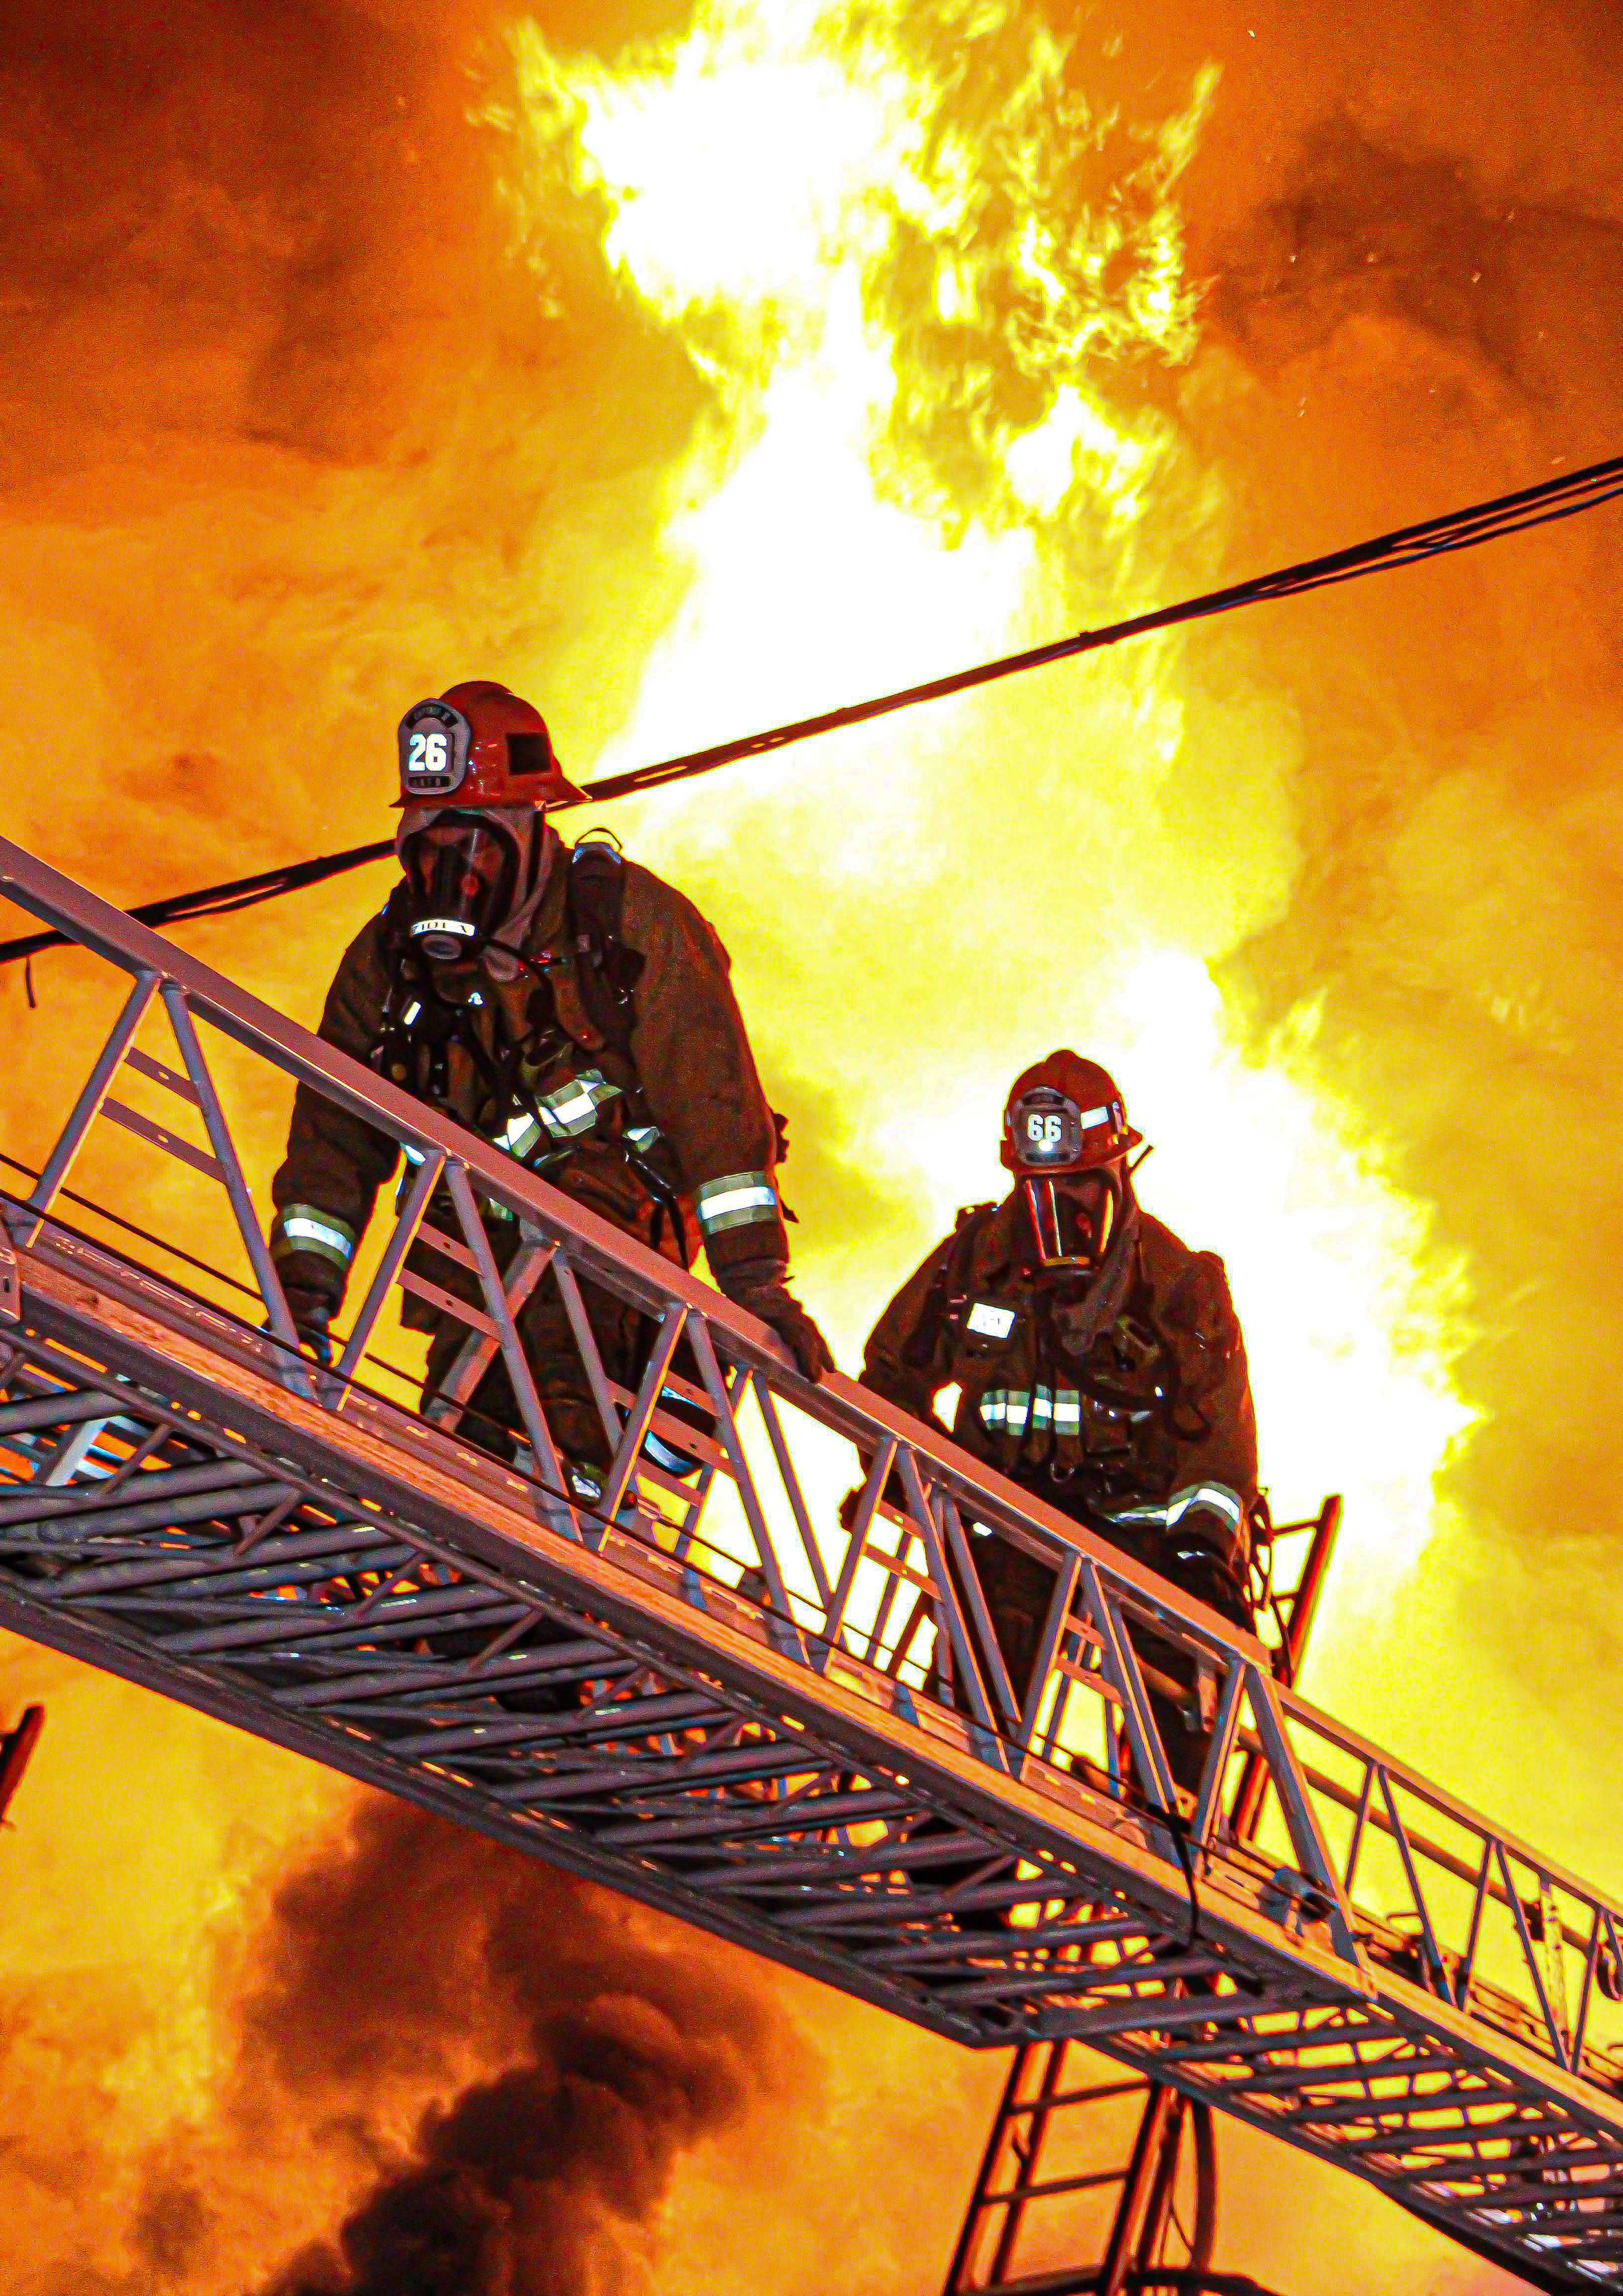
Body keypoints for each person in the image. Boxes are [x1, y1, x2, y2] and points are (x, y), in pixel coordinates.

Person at [268, 681, 830, 1499]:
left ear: (531, 829)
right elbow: (330, 1149)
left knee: (571, 1402)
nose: (448, 877)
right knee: (466, 1437)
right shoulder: (389, 963)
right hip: (469, 1255)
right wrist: (302, 1295)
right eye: (429, 848)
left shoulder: (631, 927)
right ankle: (465, 1562)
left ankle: (591, 1529)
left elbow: (715, 1109)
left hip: (613, 1242)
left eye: (475, 849)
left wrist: (755, 1283)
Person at [859, 1050, 1263, 1791]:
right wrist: (910, 1468)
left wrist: (1202, 1555)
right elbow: (889, 1373)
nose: (1059, 1207)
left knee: (1180, 1676)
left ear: (1119, 1171)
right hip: (1005, 1521)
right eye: (1038, 1185)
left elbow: (1220, 1451)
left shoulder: (1178, 1284)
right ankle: (957, 1825)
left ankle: (1172, 1835)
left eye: (1077, 1181)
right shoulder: (970, 1263)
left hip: (1139, 1545)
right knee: (990, 1637)